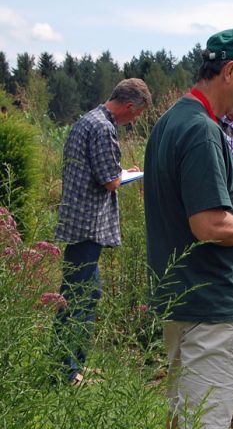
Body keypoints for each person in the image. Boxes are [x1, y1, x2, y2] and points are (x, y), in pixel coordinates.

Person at [143, 29, 233, 429]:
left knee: (183, 417)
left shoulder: (172, 121)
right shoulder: (202, 131)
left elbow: (194, 207)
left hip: (183, 301)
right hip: (211, 306)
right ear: (230, 71)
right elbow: (207, 224)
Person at [53, 78, 152, 385]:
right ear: (129, 106)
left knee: (87, 293)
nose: (134, 120)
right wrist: (130, 176)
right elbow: (109, 180)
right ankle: (64, 371)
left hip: (78, 221)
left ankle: (72, 366)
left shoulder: (87, 120)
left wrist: (122, 173)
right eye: (136, 115)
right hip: (88, 225)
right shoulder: (103, 127)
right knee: (78, 297)